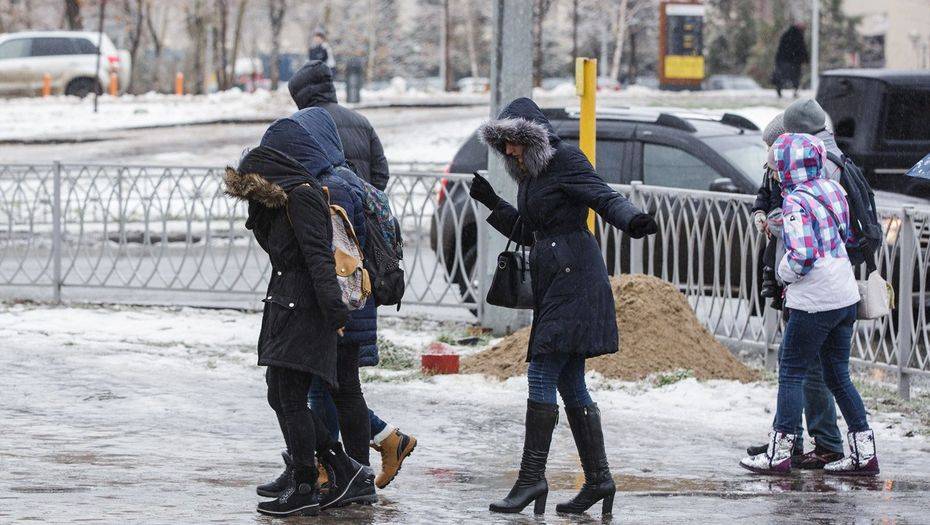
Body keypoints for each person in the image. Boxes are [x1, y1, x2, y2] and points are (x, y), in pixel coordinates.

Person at [469, 97, 657, 516]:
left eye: (514, 142)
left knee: (541, 370)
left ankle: (531, 478)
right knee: (570, 381)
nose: (509, 152)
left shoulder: (567, 160)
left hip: (577, 279)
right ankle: (599, 479)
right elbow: (530, 228)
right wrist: (492, 203)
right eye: (503, 145)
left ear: (532, 137)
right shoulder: (528, 176)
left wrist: (632, 220)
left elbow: (604, 198)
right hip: (556, 281)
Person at [224, 145, 375, 517]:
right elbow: (277, 251)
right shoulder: (282, 202)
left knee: (290, 397)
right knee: (279, 394)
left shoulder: (304, 198)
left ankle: (307, 482)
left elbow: (318, 258)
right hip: (285, 305)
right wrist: (258, 209)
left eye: (254, 190)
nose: (252, 197)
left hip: (307, 309)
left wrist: (335, 312)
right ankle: (339, 468)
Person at [288, 60, 417, 489]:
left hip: (331, 262)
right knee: (340, 379)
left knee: (327, 380)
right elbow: (379, 178)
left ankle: (339, 470)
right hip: (360, 266)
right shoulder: (361, 122)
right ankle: (358, 461)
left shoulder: (303, 129)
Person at [256, 107, 383, 506]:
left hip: (322, 307)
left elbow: (321, 257)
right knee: (289, 393)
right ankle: (331, 470)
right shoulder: (303, 190)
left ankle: (330, 476)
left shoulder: (321, 190)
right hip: (309, 304)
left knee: (324, 393)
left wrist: (335, 314)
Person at [740, 133, 879, 476]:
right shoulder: (833, 189)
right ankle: (864, 453)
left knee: (790, 373)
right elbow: (844, 237)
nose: (774, 174)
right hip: (844, 293)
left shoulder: (795, 202)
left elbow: (801, 256)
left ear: (790, 167)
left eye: (777, 167)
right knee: (838, 376)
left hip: (814, 299)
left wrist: (785, 273)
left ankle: (780, 453)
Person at [748, 100, 851, 469]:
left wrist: (784, 272)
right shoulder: (815, 172)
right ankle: (845, 448)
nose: (774, 169)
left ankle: (812, 445)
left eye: (777, 158)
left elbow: (808, 246)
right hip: (832, 287)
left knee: (800, 369)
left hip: (812, 288)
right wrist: (765, 211)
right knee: (829, 371)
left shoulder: (820, 171)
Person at [772, 22, 808, 98]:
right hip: (794, 62)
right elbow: (801, 49)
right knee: (795, 77)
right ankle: (795, 90)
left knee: (782, 76)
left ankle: (780, 90)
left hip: (783, 60)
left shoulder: (786, 35)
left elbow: (780, 49)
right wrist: (805, 59)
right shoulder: (798, 37)